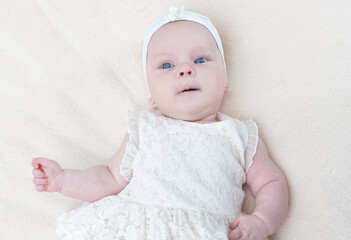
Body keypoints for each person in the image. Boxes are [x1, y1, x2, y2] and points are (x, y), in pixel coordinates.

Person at [32, 7, 289, 240]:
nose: (185, 69)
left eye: (200, 60)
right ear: (152, 95)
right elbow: (110, 178)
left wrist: (262, 221)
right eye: (167, 65)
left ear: (225, 82)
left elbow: (271, 183)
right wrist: (64, 180)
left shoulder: (240, 135)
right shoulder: (145, 127)